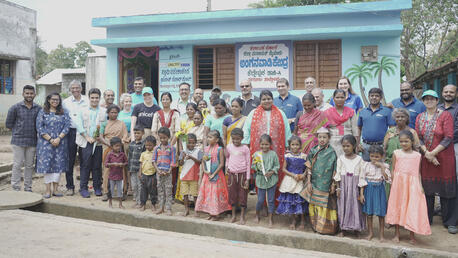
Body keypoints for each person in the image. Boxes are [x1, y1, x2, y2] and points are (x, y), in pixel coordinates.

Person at [416, 90, 456, 228]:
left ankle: (450, 222)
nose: (429, 101)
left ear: (437, 100)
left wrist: (432, 153)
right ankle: (426, 218)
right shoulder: (420, 117)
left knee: (447, 189)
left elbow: (448, 137)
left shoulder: (445, 115)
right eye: (426, 99)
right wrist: (427, 153)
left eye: (432, 99)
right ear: (423, 101)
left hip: (444, 158)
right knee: (428, 189)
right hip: (426, 158)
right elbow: (418, 138)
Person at [386, 130, 431, 244]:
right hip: (399, 184)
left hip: (412, 184)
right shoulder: (396, 153)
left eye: (406, 141)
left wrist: (420, 186)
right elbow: (393, 169)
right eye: (401, 141)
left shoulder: (417, 156)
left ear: (412, 141)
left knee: (412, 207)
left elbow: (418, 172)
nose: (404, 144)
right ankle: (397, 234)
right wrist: (393, 182)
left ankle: (412, 235)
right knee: (397, 206)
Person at [243, 90, 291, 196]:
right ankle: (262, 202)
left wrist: (288, 145)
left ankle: (274, 201)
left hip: (276, 150)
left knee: (275, 172)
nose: (266, 101)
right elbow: (247, 129)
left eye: (269, 99)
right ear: (260, 101)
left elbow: (286, 130)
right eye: (264, 99)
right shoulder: (253, 113)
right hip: (259, 149)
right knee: (260, 172)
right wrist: (246, 143)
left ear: (272, 100)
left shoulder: (280, 113)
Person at [300, 127, 338, 235]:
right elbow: (309, 167)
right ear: (317, 138)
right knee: (314, 204)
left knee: (324, 205)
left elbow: (335, 170)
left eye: (324, 137)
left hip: (326, 183)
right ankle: (315, 226)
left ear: (329, 138)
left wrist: (333, 184)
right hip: (315, 182)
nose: (322, 139)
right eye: (320, 137)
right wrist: (309, 182)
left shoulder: (332, 152)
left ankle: (324, 228)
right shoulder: (313, 150)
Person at [5, 85, 41, 192]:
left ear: (34, 94)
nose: (29, 95)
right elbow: (8, 124)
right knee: (17, 164)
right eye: (27, 93)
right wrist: (19, 132)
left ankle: (28, 187)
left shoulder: (38, 109)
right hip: (18, 141)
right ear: (23, 94)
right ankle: (15, 187)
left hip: (32, 141)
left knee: (29, 165)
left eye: (31, 93)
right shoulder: (15, 108)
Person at [36, 93, 71, 198]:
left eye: (57, 99)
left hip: (60, 143)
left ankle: (55, 189)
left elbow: (67, 126)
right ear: (48, 100)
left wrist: (59, 138)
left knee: (58, 166)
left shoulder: (63, 112)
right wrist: (51, 139)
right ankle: (47, 190)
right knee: (47, 166)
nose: (55, 101)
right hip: (46, 144)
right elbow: (39, 127)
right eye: (53, 99)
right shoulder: (42, 112)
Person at [75, 88, 107, 198]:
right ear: (89, 98)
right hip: (85, 141)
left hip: (97, 142)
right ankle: (83, 188)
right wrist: (87, 137)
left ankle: (97, 187)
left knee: (97, 166)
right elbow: (78, 124)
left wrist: (97, 137)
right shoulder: (82, 110)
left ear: (99, 98)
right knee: (85, 165)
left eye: (96, 98)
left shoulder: (103, 111)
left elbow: (103, 125)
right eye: (92, 97)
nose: (94, 100)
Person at [383, 108, 420, 201]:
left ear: (407, 118)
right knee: (391, 190)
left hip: (406, 167)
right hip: (391, 164)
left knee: (405, 191)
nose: (400, 119)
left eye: (402, 117)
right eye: (397, 117)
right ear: (394, 118)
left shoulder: (412, 132)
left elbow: (417, 149)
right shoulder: (390, 131)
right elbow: (384, 148)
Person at [195, 130, 231, 220]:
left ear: (217, 140)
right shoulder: (206, 148)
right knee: (209, 194)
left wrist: (214, 174)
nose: (208, 139)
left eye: (210, 137)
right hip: (207, 175)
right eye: (208, 137)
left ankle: (216, 214)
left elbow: (221, 164)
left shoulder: (220, 149)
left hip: (217, 175)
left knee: (215, 194)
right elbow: (203, 161)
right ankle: (211, 213)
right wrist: (204, 170)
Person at [334, 135, 365, 236]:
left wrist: (361, 193)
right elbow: (338, 174)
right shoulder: (341, 159)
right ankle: (343, 229)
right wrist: (338, 188)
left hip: (354, 186)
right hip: (343, 185)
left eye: (348, 146)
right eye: (343, 146)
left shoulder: (359, 159)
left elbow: (361, 176)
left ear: (354, 146)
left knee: (355, 206)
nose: (345, 148)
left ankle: (356, 229)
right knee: (343, 206)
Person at [359, 145, 391, 241]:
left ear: (381, 156)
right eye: (372, 156)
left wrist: (381, 167)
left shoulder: (385, 166)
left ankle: (381, 235)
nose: (374, 159)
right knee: (369, 214)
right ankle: (370, 233)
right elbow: (362, 180)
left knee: (381, 214)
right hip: (368, 190)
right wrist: (361, 194)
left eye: (377, 157)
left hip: (379, 190)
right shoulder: (366, 165)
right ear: (369, 156)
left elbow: (387, 179)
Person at [438, 84, 458, 234]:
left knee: (452, 182)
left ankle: (452, 220)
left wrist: (444, 141)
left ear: (456, 94)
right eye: (446, 91)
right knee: (439, 181)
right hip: (436, 148)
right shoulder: (437, 107)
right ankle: (443, 211)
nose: (448, 94)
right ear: (442, 93)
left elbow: (453, 131)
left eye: (451, 92)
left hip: (453, 147)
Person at [276, 136, 308, 230]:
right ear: (289, 146)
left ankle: (302, 220)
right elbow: (283, 169)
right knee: (291, 201)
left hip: (300, 181)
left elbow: (307, 168)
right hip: (290, 180)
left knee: (300, 200)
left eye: (297, 145)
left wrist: (304, 174)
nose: (295, 147)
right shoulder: (288, 156)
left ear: (300, 146)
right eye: (292, 145)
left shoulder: (304, 156)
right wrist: (293, 175)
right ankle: (293, 220)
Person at [62, 80, 88, 196]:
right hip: (70, 132)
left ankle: (83, 187)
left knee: (84, 160)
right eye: (73, 88)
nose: (75, 90)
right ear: (70, 89)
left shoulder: (87, 100)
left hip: (84, 133)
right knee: (70, 160)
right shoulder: (65, 102)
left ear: (81, 88)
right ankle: (70, 187)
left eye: (77, 88)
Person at [99, 104, 129, 201]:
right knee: (107, 170)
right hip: (108, 148)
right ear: (108, 113)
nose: (114, 114)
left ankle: (123, 191)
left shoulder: (121, 123)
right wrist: (109, 144)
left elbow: (125, 135)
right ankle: (106, 192)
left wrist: (119, 144)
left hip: (120, 149)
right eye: (112, 112)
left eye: (116, 112)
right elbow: (100, 136)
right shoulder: (104, 123)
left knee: (122, 170)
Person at [358, 88, 395, 162]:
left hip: (381, 146)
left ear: (380, 98)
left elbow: (392, 129)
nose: (374, 97)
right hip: (365, 146)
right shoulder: (363, 111)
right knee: (366, 169)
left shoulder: (387, 111)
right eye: (372, 96)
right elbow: (359, 128)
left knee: (380, 168)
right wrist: (358, 143)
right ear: (369, 97)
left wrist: (387, 144)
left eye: (377, 96)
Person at [252, 134, 280, 228]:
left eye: (267, 144)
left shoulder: (273, 154)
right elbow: (253, 166)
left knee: (271, 200)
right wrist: (257, 167)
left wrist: (272, 172)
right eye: (262, 144)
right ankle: (257, 214)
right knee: (260, 200)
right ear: (259, 144)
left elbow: (277, 166)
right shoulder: (257, 155)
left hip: (271, 180)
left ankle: (271, 218)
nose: (264, 146)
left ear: (270, 144)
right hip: (261, 180)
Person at [225, 128, 250, 224]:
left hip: (242, 175)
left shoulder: (245, 148)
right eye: (233, 139)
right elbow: (227, 157)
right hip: (232, 174)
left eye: (238, 139)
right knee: (232, 195)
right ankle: (234, 215)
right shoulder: (229, 147)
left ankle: (242, 216)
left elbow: (248, 163)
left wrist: (247, 178)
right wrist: (227, 166)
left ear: (242, 138)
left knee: (243, 195)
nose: (235, 141)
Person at [326, 89, 359, 157]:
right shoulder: (327, 112)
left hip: (348, 144)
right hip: (332, 144)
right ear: (333, 98)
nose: (340, 99)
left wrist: (356, 146)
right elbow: (325, 131)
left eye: (342, 97)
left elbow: (355, 131)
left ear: (345, 98)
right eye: (337, 97)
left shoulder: (351, 112)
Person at [153, 127, 176, 215]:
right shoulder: (156, 148)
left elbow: (173, 161)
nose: (162, 140)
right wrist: (158, 170)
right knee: (160, 190)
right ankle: (161, 207)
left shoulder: (172, 148)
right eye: (161, 138)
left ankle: (168, 208)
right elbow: (153, 160)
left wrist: (169, 170)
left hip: (168, 172)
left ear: (169, 137)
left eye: (164, 138)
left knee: (168, 190)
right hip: (159, 172)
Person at [178, 133, 203, 216]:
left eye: (193, 143)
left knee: (195, 194)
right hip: (184, 176)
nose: (191, 144)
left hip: (194, 176)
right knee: (185, 194)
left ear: (196, 143)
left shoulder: (198, 151)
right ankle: (186, 209)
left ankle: (196, 210)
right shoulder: (183, 151)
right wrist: (182, 158)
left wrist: (191, 157)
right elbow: (180, 164)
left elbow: (200, 162)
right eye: (189, 142)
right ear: (186, 143)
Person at [104, 137, 127, 209]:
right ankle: (110, 203)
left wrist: (122, 164)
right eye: (116, 146)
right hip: (111, 176)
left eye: (119, 146)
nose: (118, 147)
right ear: (112, 146)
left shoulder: (122, 155)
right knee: (110, 190)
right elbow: (106, 164)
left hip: (120, 176)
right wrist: (113, 164)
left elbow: (126, 162)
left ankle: (120, 204)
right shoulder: (110, 155)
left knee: (120, 191)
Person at [139, 135, 158, 211]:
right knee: (143, 190)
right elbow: (141, 163)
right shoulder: (143, 154)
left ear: (154, 145)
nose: (148, 147)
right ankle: (143, 204)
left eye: (150, 145)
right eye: (146, 145)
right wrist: (140, 172)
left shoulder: (155, 153)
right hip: (144, 174)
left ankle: (153, 204)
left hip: (152, 174)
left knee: (153, 190)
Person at [127, 125, 145, 208]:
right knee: (134, 186)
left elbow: (144, 158)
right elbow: (129, 157)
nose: (137, 135)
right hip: (132, 169)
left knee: (140, 186)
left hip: (140, 170)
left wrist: (142, 170)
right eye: (135, 133)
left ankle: (140, 202)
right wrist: (129, 168)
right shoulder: (131, 144)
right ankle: (136, 200)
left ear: (143, 133)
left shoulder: (144, 144)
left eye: (138, 133)